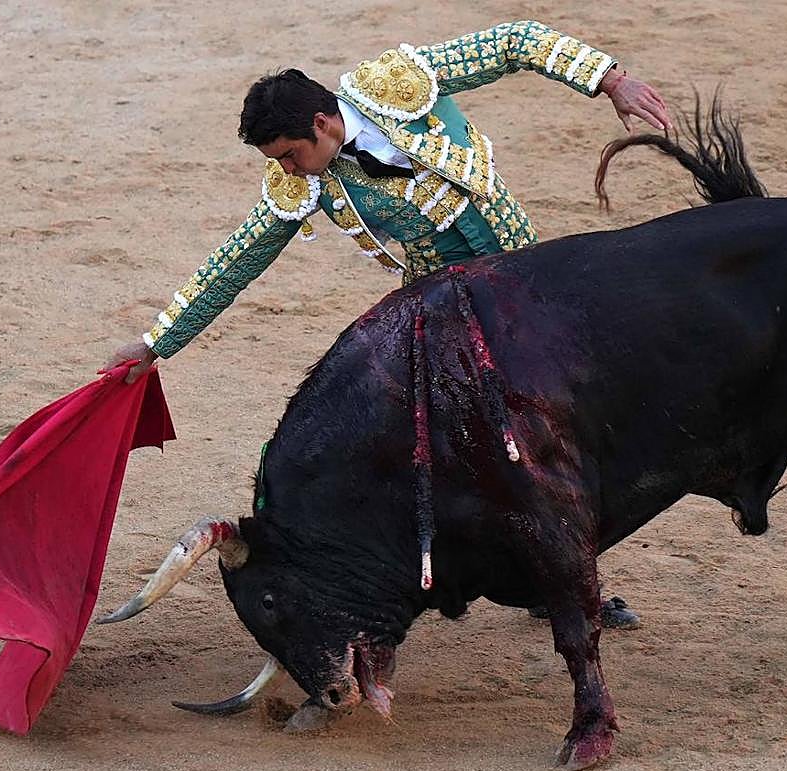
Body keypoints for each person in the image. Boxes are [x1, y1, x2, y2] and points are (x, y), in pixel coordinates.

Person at [109, 21, 672, 628]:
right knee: (478, 444)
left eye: (291, 156)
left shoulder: (395, 83)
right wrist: (155, 342)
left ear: (322, 124)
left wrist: (608, 79)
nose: (290, 172)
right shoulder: (302, 181)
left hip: (524, 274)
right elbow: (238, 258)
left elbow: (513, 43)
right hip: (446, 307)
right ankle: (530, 580)